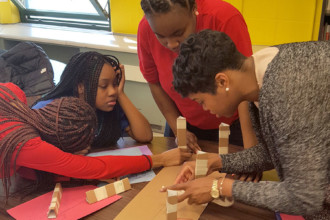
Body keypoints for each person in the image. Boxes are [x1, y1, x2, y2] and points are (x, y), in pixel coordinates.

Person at [162, 30, 329, 219]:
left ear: (222, 81)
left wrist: (218, 186)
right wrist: (219, 162)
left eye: (201, 101)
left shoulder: (287, 90)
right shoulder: (259, 76)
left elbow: (304, 198)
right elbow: (275, 151)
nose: (205, 109)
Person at [0, 82, 192, 200]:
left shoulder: (12, 93)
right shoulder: (26, 143)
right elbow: (94, 166)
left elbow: (27, 170)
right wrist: (159, 160)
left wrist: (69, 172)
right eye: (76, 151)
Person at [138, 0, 257, 152]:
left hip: (235, 125)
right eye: (161, 36)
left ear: (194, 8)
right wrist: (178, 129)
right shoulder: (146, 28)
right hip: (182, 121)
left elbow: (243, 83)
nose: (172, 44)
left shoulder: (224, 18)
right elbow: (154, 82)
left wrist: (250, 153)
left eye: (178, 33)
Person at [33, 51, 153, 148]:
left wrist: (121, 93)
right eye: (104, 86)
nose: (112, 92)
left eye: (115, 84)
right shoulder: (50, 109)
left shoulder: (110, 108)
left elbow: (145, 136)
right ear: (80, 87)